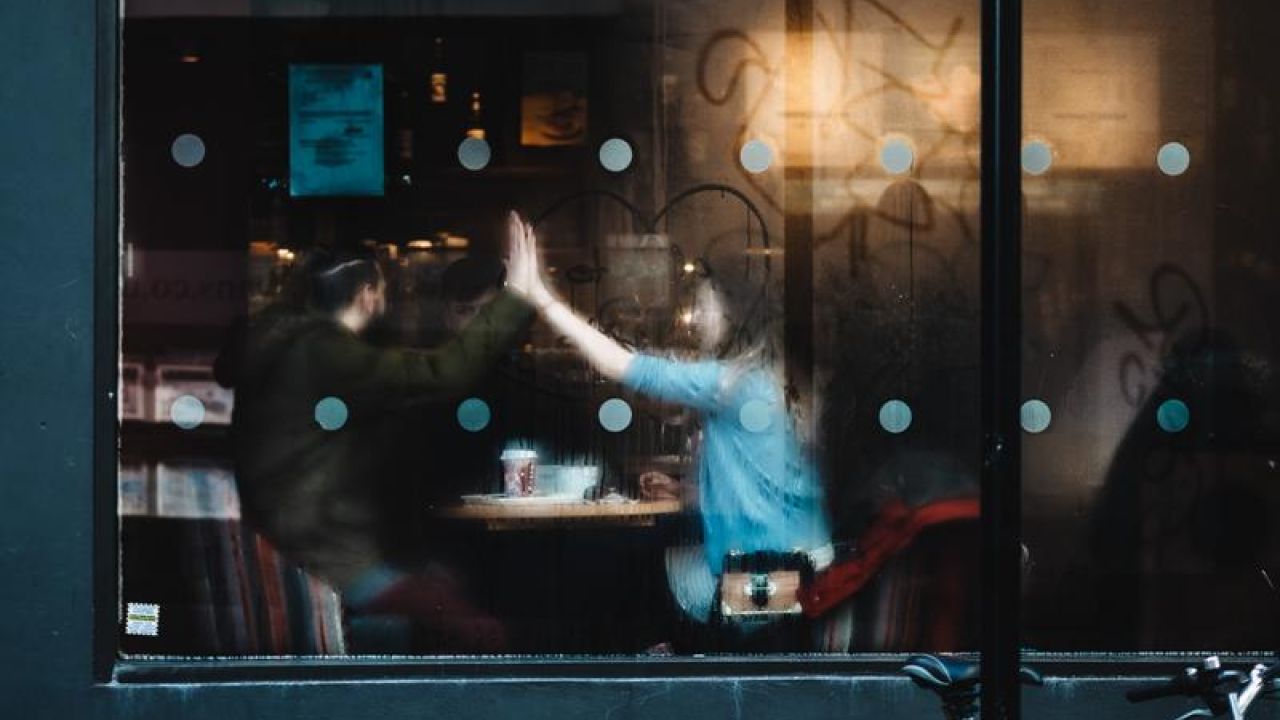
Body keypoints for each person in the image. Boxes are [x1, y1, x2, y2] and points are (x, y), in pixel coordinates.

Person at [218, 212, 539, 652]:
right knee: (485, 630)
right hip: (327, 555)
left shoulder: (286, 340)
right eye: (383, 286)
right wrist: (516, 294)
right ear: (368, 293)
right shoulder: (325, 352)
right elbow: (444, 373)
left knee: (448, 584)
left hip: (300, 543)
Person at [506, 220, 832, 641]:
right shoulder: (774, 380)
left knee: (603, 566)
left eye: (705, 303)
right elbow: (770, 483)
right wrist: (688, 494)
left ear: (733, 310)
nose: (697, 316)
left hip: (760, 582)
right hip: (806, 567)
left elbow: (621, 366)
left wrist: (542, 300)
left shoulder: (730, 383)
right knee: (637, 562)